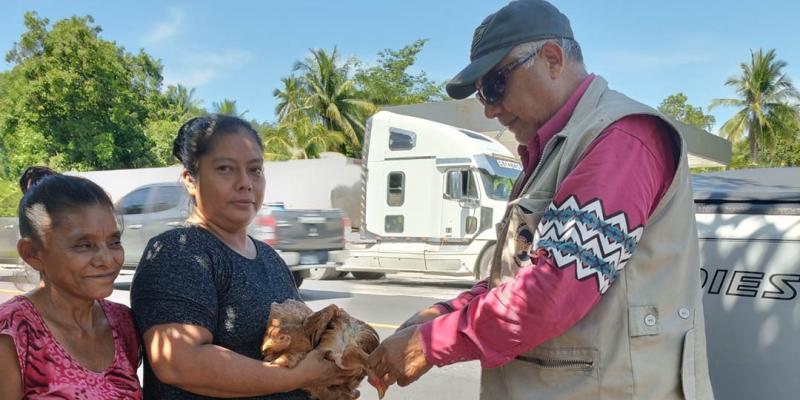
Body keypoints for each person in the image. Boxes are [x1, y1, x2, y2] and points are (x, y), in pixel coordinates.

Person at [367, 1, 715, 399]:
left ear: (552, 58)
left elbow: (554, 290)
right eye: (481, 94)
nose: (490, 108)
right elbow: (522, 278)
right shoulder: (557, 150)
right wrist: (446, 312)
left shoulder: (620, 140)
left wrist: (428, 344)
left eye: (495, 84)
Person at [130, 115, 350, 399]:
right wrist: (297, 377)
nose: (245, 183)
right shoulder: (180, 251)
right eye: (225, 169)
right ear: (190, 179)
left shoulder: (269, 257)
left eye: (255, 170)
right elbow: (179, 363)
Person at [0, 167, 143, 399]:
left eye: (114, 242)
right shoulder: (13, 332)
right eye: (83, 245)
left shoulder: (122, 322)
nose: (107, 260)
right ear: (33, 253)